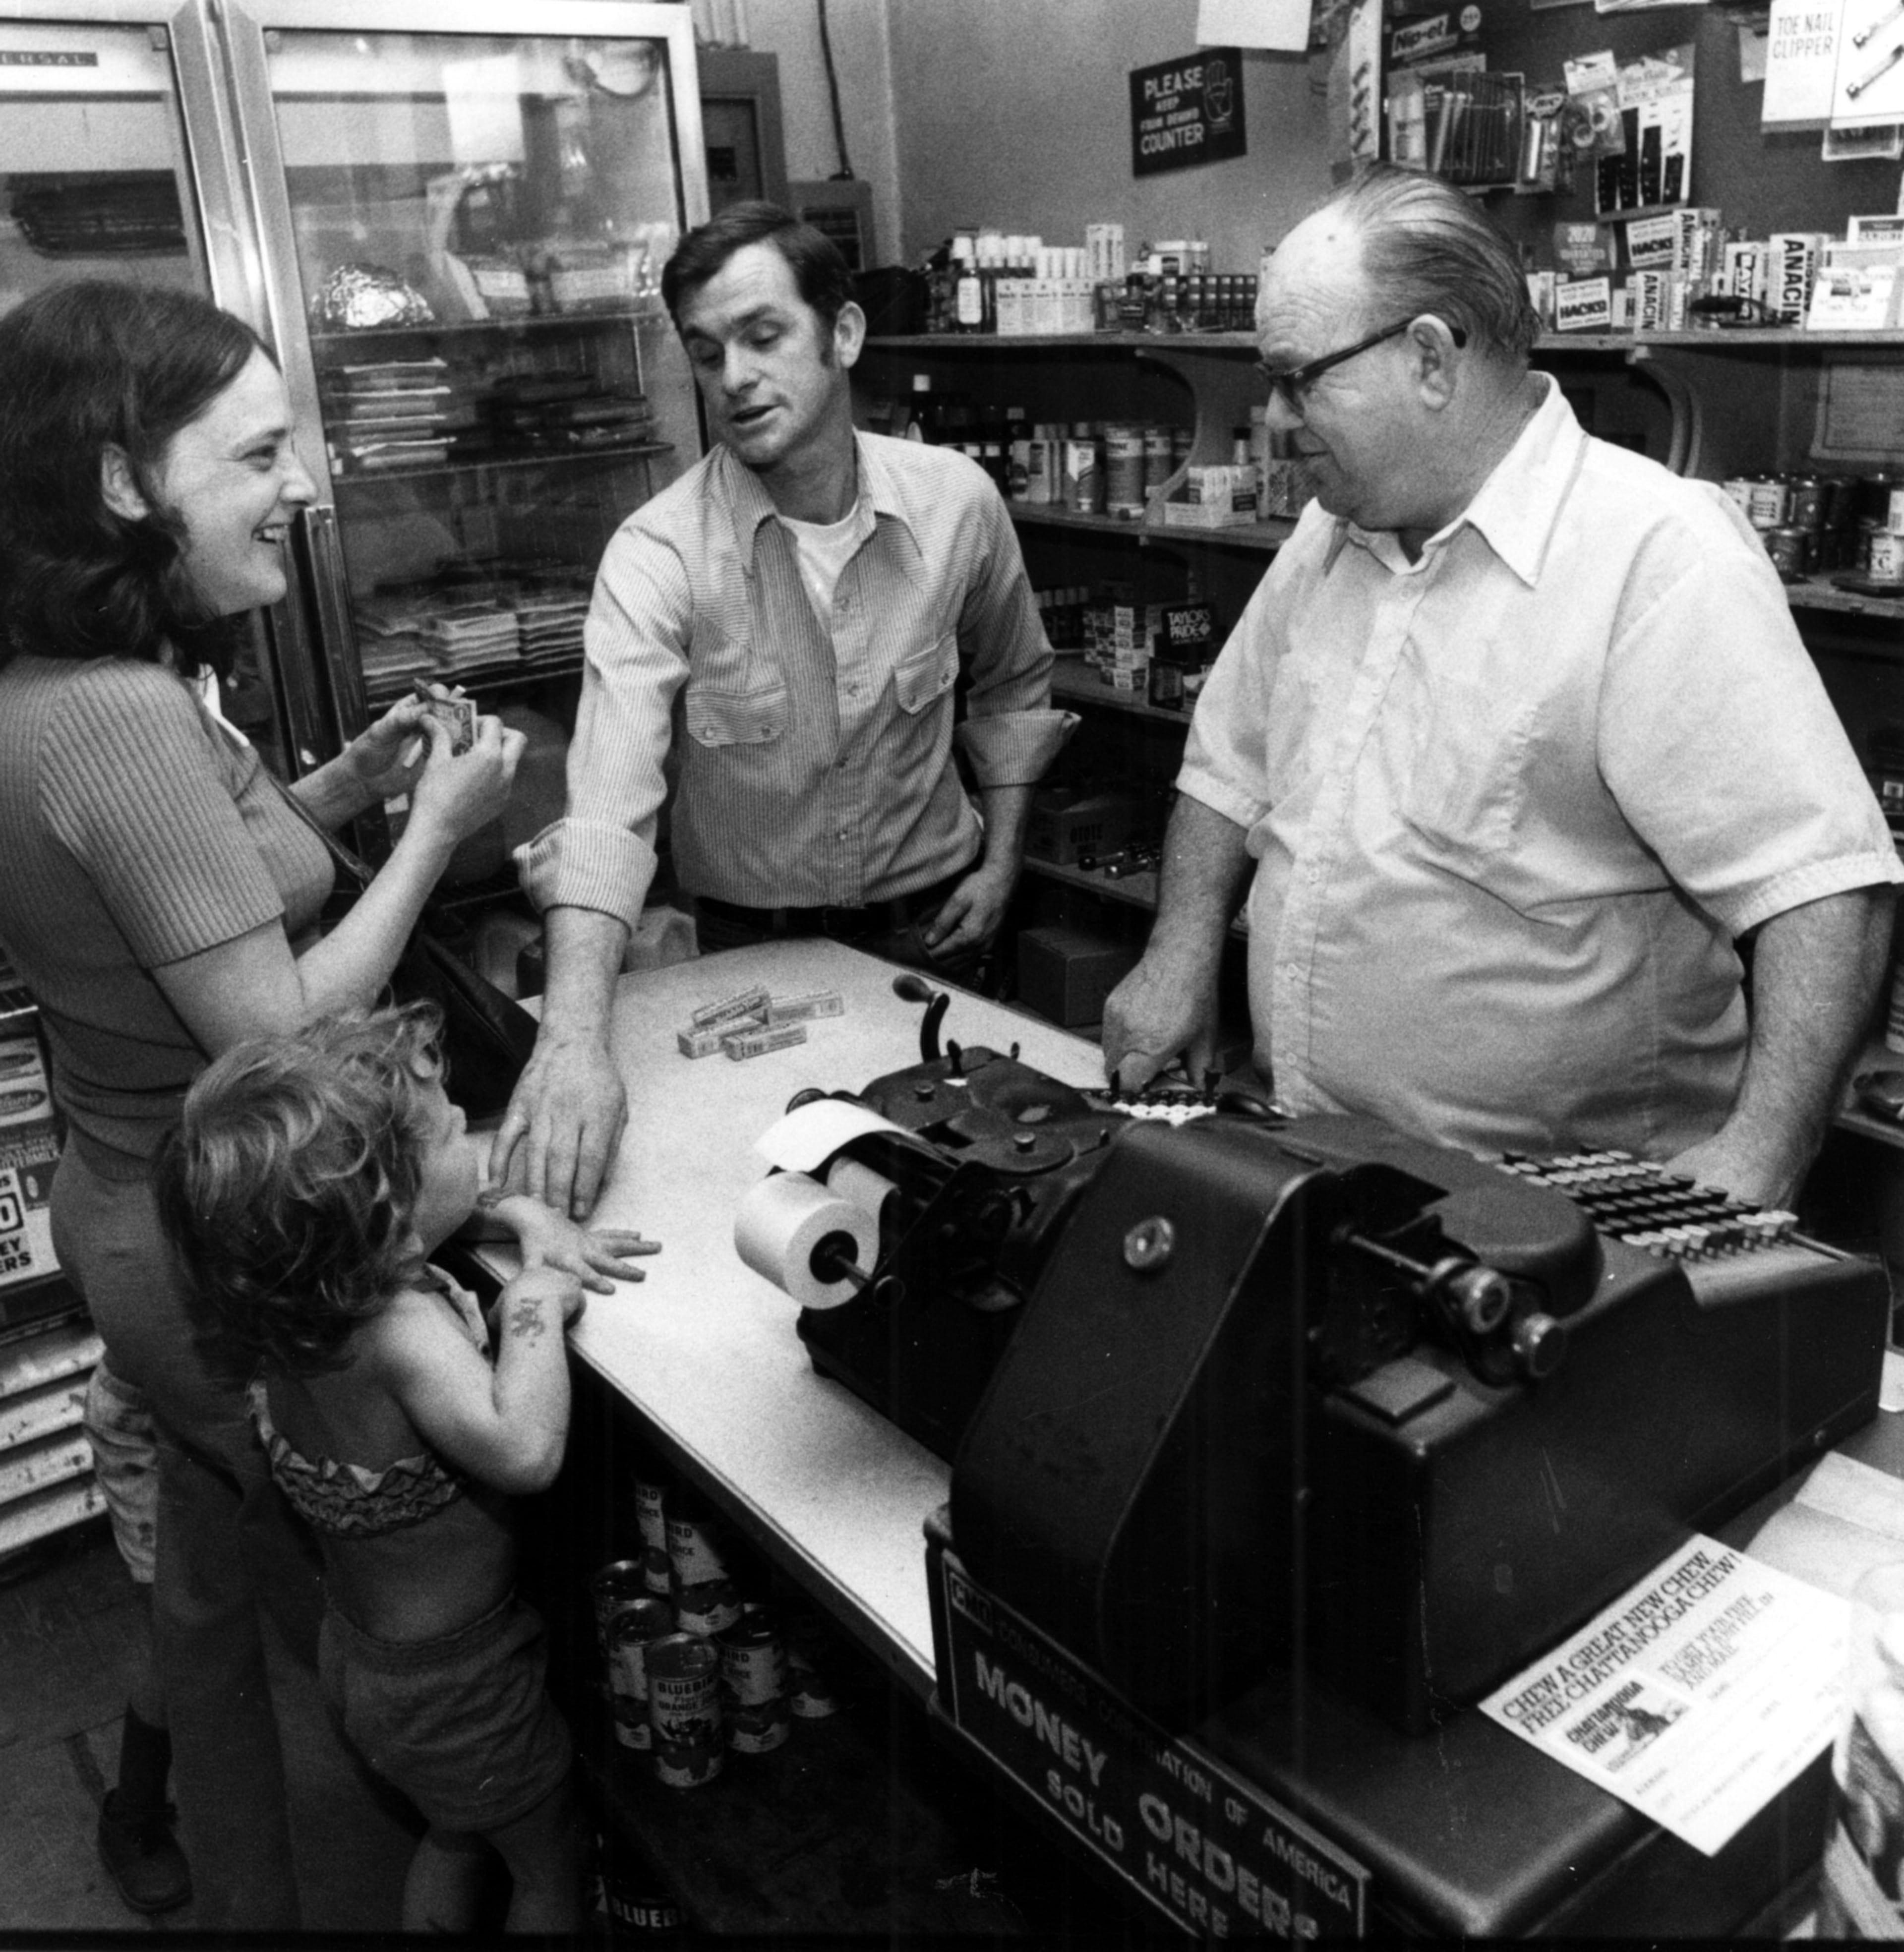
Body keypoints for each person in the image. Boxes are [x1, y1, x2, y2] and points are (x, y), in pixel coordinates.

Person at [0, 279, 526, 1927]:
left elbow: (182, 886)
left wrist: (345, 789)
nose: (304, 482)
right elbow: (263, 1019)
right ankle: (484, 1810)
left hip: (124, 1211)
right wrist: (441, 825)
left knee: (209, 1594)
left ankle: (228, 1880)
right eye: (259, 450)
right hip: (219, 1243)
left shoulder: (47, 683)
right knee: (386, 1580)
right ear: (121, 483)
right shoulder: (121, 715)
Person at [1103, 165, 1901, 1208]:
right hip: (1315, 1156)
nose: (1275, 413)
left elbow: (1824, 886)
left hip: (1554, 1216)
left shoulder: (1654, 556)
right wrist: (1179, 952)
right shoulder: (1334, 529)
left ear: (1432, 357)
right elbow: (1227, 764)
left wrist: (1760, 1155)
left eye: (1300, 378)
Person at [496, 200, 1075, 1217]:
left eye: (764, 337)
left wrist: (1002, 860)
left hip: (930, 933)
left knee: (965, 1197)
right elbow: (605, 810)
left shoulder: (957, 505)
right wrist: (574, 1042)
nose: (735, 378)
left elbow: (1017, 684)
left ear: (842, 335)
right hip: (749, 958)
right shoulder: (659, 552)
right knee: (775, 1204)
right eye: (707, 352)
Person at [153, 1005, 654, 1934]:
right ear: (385, 1204)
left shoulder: (291, 1306)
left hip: (363, 1660)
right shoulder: (403, 1329)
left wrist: (521, 1209)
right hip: (459, 1683)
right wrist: (537, 1302)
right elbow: (526, 1449)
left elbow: (457, 1191)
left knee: (458, 1834)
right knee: (548, 1859)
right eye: (451, 1121)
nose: (473, 1127)